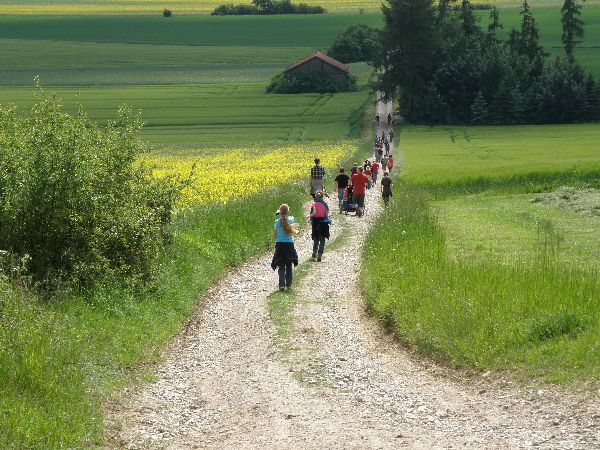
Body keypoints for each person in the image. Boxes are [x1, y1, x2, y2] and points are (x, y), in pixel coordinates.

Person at [271, 204, 298, 291]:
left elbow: (275, 236)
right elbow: (288, 219)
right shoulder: (291, 220)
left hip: (279, 245)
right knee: (289, 265)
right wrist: (282, 215)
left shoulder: (276, 222)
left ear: (280, 212)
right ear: (288, 212)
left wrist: (279, 216)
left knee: (281, 265)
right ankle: (289, 285)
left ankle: (281, 285)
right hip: (289, 245)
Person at [309, 191, 331, 261]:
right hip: (323, 222)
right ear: (322, 196)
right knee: (322, 239)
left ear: (315, 196)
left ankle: (314, 252)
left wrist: (311, 221)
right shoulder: (325, 204)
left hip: (316, 222)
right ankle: (320, 254)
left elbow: (312, 214)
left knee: (316, 238)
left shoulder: (314, 204)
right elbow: (327, 213)